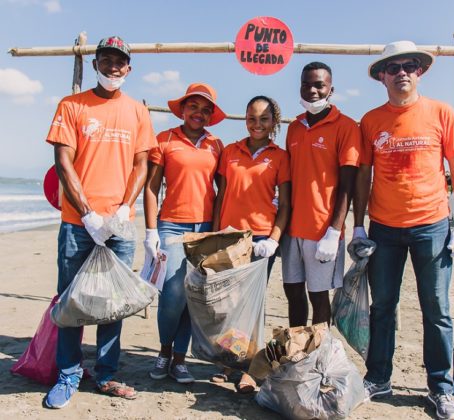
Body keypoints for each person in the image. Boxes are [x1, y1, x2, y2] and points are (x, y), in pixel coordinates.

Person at [353, 41, 454, 420]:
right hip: (383, 228)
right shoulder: (371, 120)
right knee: (382, 306)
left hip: (432, 225)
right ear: (382, 76)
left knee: (436, 309)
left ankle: (441, 388)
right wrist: (357, 226)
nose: (402, 72)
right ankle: (378, 378)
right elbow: (362, 175)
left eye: (409, 65)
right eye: (393, 67)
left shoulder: (440, 112)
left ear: (419, 72)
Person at [44, 36, 157, 408]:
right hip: (80, 223)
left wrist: (126, 207)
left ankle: (106, 372)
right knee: (71, 299)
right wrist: (88, 213)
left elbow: (142, 164)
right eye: (106, 60)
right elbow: (64, 163)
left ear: (129, 68)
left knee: (114, 302)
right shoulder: (72, 105)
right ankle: (68, 372)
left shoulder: (138, 111)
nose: (113, 67)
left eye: (120, 62)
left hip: (121, 224)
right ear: (95, 64)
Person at [143, 83, 226, 384]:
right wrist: (151, 229)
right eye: (193, 107)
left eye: (205, 110)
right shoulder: (164, 139)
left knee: (194, 296)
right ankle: (164, 351)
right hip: (171, 226)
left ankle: (179, 360)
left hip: (204, 228)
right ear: (182, 109)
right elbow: (151, 188)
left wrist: (215, 232)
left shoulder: (216, 145)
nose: (199, 113)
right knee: (173, 294)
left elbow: (222, 190)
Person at [212, 95, 291, 393]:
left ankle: (250, 369)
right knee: (229, 303)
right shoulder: (230, 151)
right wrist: (217, 234)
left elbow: (285, 204)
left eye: (264, 119)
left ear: (274, 122)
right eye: (251, 118)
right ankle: (229, 360)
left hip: (260, 240)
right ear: (244, 119)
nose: (257, 124)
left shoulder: (280, 156)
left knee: (252, 304)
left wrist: (273, 239)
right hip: (230, 237)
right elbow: (221, 196)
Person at [281, 61, 361, 328]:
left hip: (322, 229)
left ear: (331, 89)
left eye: (319, 85)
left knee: (318, 296)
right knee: (292, 293)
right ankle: (297, 351)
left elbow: (347, 184)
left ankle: (319, 355)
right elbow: (288, 178)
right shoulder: (294, 127)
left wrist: (334, 230)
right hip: (292, 228)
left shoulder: (346, 127)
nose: (312, 90)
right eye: (307, 84)